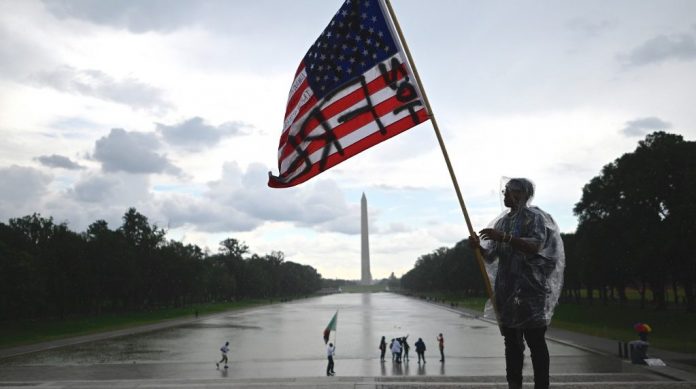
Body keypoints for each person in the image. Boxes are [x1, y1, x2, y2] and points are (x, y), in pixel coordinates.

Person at [468, 178, 565, 389]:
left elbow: (536, 245)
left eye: (508, 192)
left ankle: (542, 385)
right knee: (511, 343)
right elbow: (492, 257)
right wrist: (479, 248)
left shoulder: (536, 217)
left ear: (521, 194)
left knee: (535, 342)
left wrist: (504, 237)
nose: (504, 195)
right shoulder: (502, 223)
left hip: (531, 290)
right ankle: (514, 384)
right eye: (504, 191)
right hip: (506, 290)